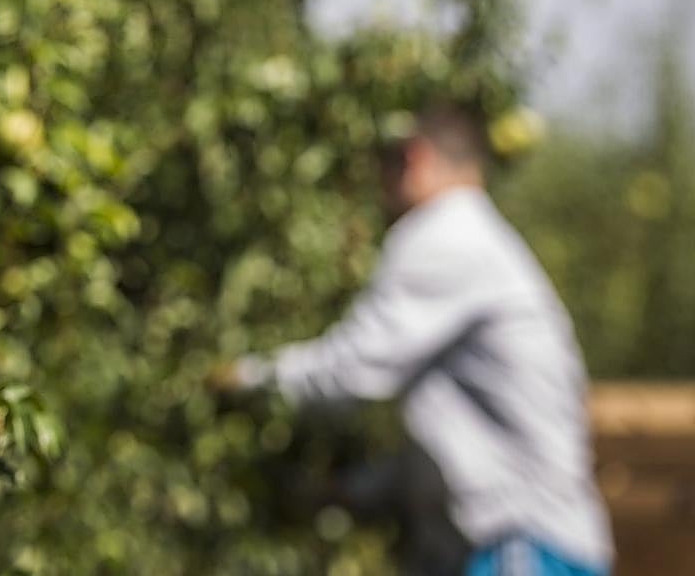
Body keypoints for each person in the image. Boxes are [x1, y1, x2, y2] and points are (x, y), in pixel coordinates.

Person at [221, 104, 613, 576]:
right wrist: (356, 490)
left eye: (383, 167)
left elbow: (353, 369)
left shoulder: (445, 235)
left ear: (415, 159)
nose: (377, 188)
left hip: (521, 550)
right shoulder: (478, 238)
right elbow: (454, 436)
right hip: (526, 545)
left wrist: (241, 378)